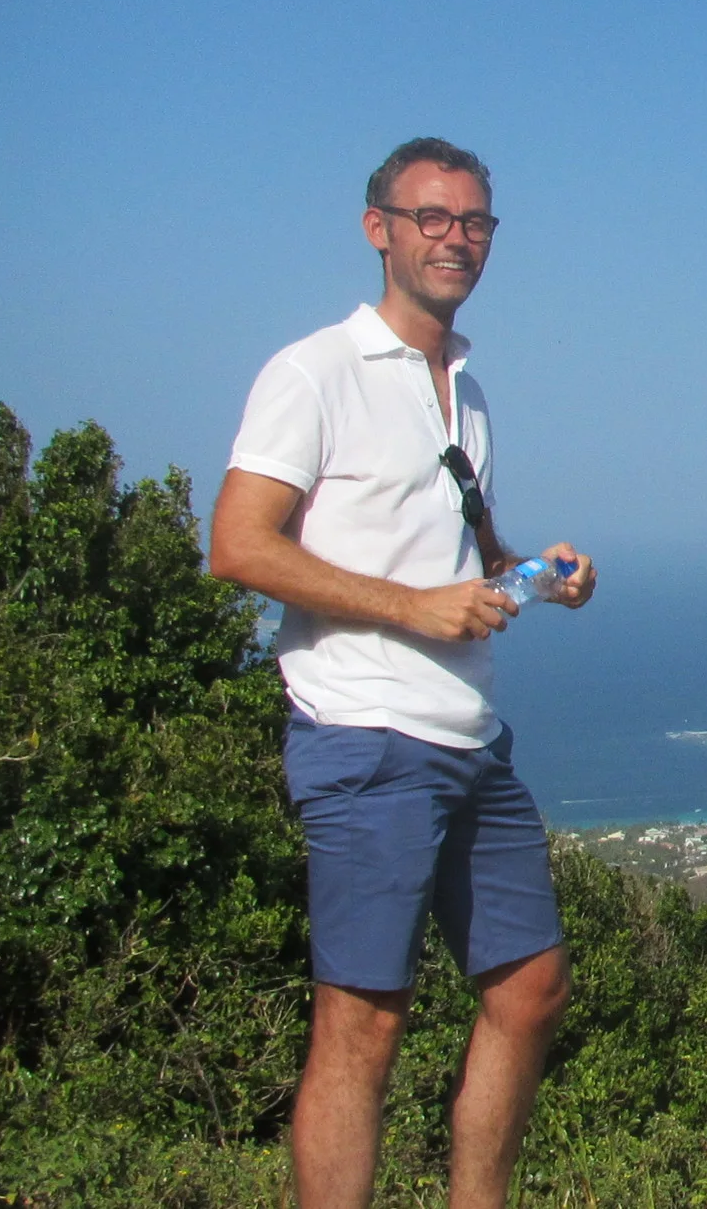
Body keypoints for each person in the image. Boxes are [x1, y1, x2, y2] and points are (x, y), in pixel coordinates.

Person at [209, 137, 598, 1209]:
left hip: (470, 736)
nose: (454, 238)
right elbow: (238, 543)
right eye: (430, 216)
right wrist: (413, 610)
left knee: (530, 989)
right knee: (364, 1020)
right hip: (367, 731)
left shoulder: (463, 390)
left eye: (473, 222)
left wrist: (530, 579)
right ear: (377, 225)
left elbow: (452, 561)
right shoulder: (315, 371)